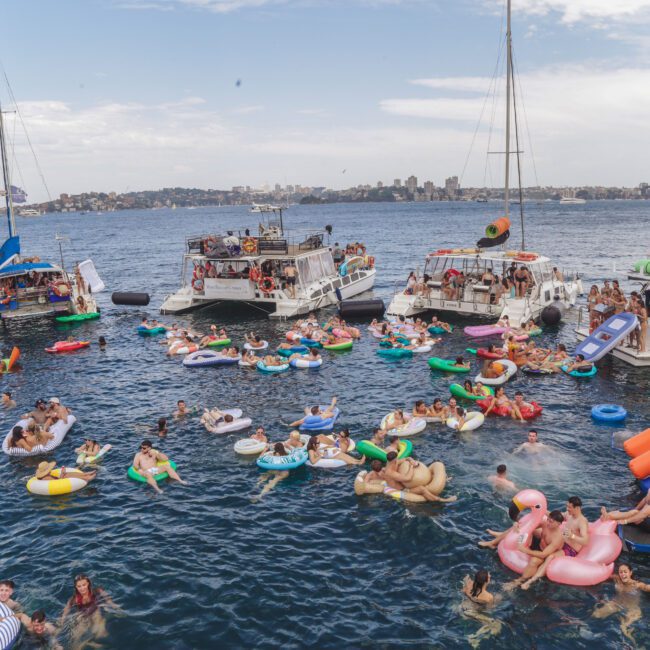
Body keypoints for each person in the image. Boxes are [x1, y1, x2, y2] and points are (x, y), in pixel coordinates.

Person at [505, 510, 566, 591]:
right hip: (539, 544)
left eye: (551, 522)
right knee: (529, 530)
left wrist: (525, 550)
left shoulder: (557, 538)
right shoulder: (545, 524)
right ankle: (498, 538)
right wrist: (517, 525)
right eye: (548, 519)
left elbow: (544, 554)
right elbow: (528, 526)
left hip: (545, 553)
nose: (548, 523)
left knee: (534, 561)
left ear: (558, 524)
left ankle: (518, 581)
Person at [592, 563, 650, 641]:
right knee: (596, 615)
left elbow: (646, 587)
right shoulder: (617, 579)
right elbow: (604, 575)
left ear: (630, 573)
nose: (623, 574)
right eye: (621, 572)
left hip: (632, 609)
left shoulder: (637, 585)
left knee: (624, 629)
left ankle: (635, 645)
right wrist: (600, 567)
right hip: (616, 604)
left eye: (625, 572)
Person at [60, 574, 119, 646]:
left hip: (95, 613)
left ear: (88, 583)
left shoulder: (97, 591)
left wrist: (117, 608)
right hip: (81, 617)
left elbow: (108, 600)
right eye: (79, 586)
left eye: (84, 585)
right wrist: (61, 623)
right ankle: (88, 643)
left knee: (101, 634)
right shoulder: (73, 599)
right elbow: (65, 611)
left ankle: (94, 643)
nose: (82, 588)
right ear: (76, 587)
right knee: (75, 639)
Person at [384, 452, 457, 503]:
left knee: (428, 476)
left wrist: (411, 461)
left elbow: (406, 459)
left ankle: (444, 479)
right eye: (396, 459)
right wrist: (411, 466)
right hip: (403, 489)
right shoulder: (390, 472)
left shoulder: (393, 462)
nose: (397, 460)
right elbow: (407, 478)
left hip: (403, 483)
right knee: (422, 489)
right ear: (393, 460)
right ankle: (442, 500)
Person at [460, 570, 502, 648]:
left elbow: (462, 590)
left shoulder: (469, 583)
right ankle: (474, 638)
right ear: (486, 581)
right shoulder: (489, 597)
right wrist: (497, 601)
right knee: (496, 625)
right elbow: (489, 610)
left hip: (461, 607)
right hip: (471, 613)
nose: (490, 576)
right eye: (489, 577)